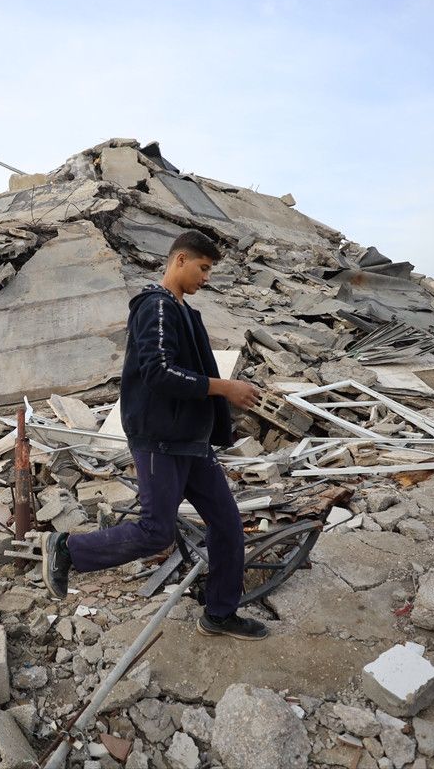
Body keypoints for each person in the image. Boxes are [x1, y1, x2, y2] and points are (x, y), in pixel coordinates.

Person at [41, 230, 269, 640]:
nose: (206, 278)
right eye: (203, 268)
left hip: (192, 442)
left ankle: (219, 614)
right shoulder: (157, 307)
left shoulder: (183, 311)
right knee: (156, 531)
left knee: (228, 525)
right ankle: (67, 549)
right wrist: (224, 388)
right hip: (160, 441)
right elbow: (158, 372)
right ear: (180, 260)